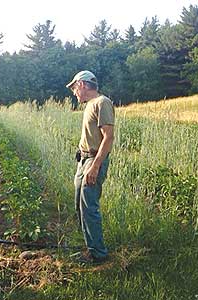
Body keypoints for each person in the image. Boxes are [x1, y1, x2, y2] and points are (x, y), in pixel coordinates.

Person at [66, 70, 115, 264]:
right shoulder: (90, 105)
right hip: (83, 160)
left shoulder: (103, 103)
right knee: (79, 203)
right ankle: (88, 246)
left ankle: (98, 255)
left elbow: (108, 137)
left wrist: (95, 167)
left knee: (89, 207)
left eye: (75, 88)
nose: (74, 93)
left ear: (83, 85)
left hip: (94, 161)